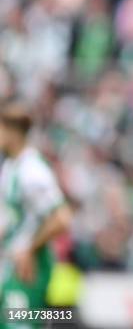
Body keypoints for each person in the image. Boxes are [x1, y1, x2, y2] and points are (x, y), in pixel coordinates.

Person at [0, 101, 72, 323]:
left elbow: (61, 218)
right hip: (12, 262)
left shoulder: (33, 170)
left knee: (18, 322)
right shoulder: (12, 165)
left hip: (30, 265)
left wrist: (29, 249)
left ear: (12, 131)